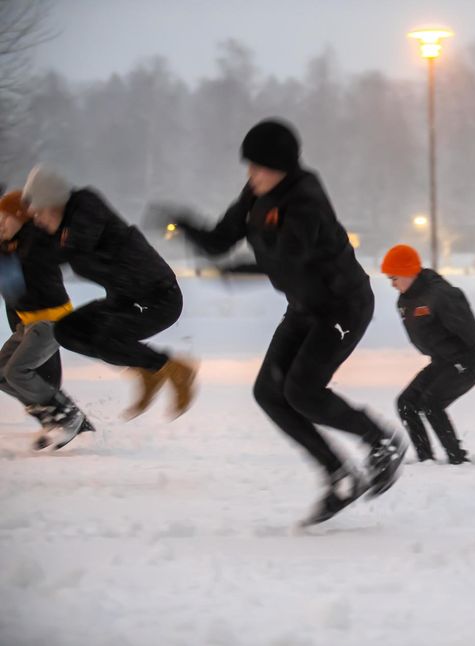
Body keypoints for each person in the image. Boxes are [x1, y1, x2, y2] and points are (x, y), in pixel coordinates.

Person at [174, 118, 406, 525]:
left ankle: (381, 441)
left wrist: (237, 271)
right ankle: (339, 476)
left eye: (259, 167)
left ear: (281, 167)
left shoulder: (305, 199)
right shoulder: (256, 192)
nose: (251, 175)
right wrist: (185, 225)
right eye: (249, 167)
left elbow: (286, 259)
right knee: (268, 392)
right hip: (304, 305)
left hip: (342, 306)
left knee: (302, 392)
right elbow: (220, 240)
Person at [22, 166, 197, 422]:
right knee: (67, 331)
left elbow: (73, 249)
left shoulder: (86, 206)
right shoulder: (59, 225)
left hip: (159, 298)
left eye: (39, 212)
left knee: (108, 342)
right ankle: (145, 369)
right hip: (124, 299)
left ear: (54, 202)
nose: (38, 220)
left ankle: (175, 369)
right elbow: (34, 251)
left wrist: (38, 250)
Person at [381, 244, 475, 464]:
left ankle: (456, 458)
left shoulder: (442, 296)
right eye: (389, 279)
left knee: (431, 402)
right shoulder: (405, 301)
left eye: (394, 277)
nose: (393, 284)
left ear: (409, 272)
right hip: (443, 360)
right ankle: (426, 459)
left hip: (468, 361)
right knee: (406, 403)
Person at [0, 190, 92, 449]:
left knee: (17, 371)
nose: (0, 224)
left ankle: (66, 415)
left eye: (4, 218)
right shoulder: (12, 244)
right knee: (2, 373)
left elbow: (13, 282)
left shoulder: (34, 241)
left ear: (21, 217)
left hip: (51, 322)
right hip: (28, 324)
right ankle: (53, 416)